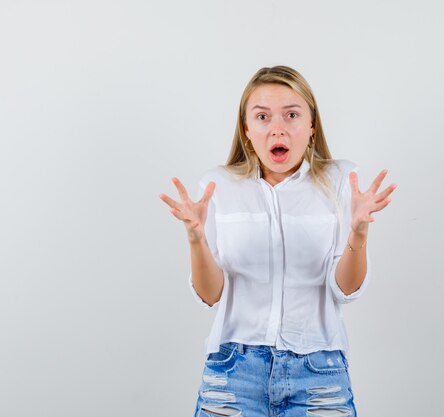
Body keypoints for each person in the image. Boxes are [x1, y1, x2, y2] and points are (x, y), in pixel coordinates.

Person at [159, 65, 397, 417]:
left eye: (291, 115)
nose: (277, 128)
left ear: (312, 125)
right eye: (263, 117)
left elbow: (345, 289)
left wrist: (358, 232)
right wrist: (196, 239)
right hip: (233, 370)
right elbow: (210, 295)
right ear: (246, 130)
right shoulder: (218, 186)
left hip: (318, 373)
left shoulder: (342, 180)